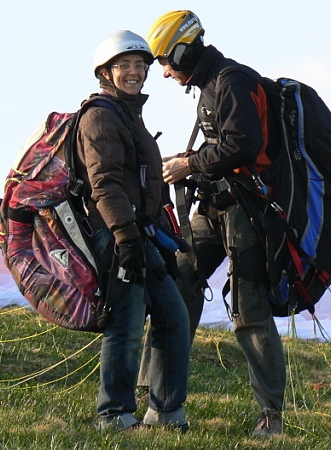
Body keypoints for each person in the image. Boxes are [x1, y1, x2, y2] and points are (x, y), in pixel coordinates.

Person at [144, 11, 286, 437]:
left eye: (165, 62)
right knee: (175, 285)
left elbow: (244, 145)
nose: (164, 72)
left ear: (182, 51)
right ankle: (155, 397)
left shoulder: (232, 80)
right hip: (213, 206)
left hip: (246, 212)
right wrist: (190, 162)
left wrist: (189, 165)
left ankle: (271, 417)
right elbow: (223, 145)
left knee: (249, 310)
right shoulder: (211, 84)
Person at [75, 30, 190, 432]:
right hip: (117, 234)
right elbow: (104, 183)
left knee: (173, 317)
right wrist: (125, 239)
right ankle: (115, 414)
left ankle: (167, 413)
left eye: (140, 65)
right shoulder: (100, 116)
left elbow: (142, 184)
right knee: (125, 323)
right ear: (105, 73)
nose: (134, 72)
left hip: (141, 234)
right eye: (124, 65)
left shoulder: (129, 115)